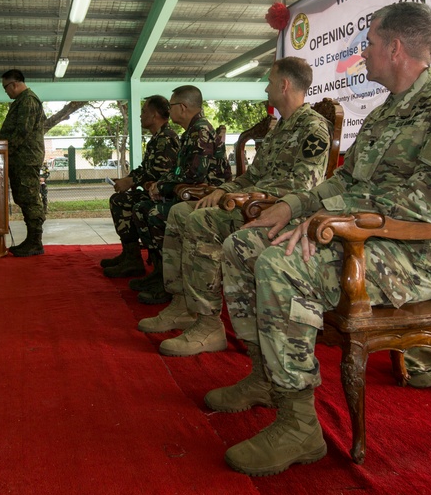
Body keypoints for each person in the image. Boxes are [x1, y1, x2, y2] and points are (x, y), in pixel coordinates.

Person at [211, 2, 431, 476]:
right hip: (362, 238)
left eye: (369, 44)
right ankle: (266, 377)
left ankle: (299, 426)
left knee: (280, 265)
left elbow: (430, 205)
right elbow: (344, 183)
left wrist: (331, 218)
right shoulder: (388, 112)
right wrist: (295, 206)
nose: (364, 55)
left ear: (395, 48)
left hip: (415, 256)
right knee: (242, 247)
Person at [141, 57, 331, 357]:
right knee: (180, 212)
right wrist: (223, 191)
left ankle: (208, 325)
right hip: (252, 204)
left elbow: (301, 188)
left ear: (284, 85)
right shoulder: (281, 128)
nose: (266, 88)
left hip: (280, 214)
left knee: (202, 222)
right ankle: (182, 305)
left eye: (270, 82)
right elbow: (252, 175)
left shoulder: (313, 128)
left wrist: (244, 198)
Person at [129, 85, 230, 304]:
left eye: (172, 105)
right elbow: (182, 172)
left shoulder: (199, 131)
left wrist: (161, 186)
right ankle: (161, 271)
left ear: (182, 108)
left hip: (204, 197)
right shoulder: (191, 132)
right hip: (192, 193)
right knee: (142, 208)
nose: (169, 110)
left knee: (155, 212)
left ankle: (172, 281)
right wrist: (161, 184)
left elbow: (194, 176)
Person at [101, 95, 180, 278]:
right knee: (119, 200)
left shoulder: (166, 139)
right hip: (154, 192)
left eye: (144, 111)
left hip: (164, 196)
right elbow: (147, 169)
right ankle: (131, 256)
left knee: (122, 202)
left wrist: (131, 182)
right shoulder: (157, 138)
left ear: (154, 115)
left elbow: (162, 173)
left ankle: (136, 261)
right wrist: (128, 179)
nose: (140, 115)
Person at [0, 68, 47, 256]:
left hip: (25, 159)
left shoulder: (27, 100)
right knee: (24, 198)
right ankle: (31, 240)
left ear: (15, 84)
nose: (5, 91)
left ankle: (36, 242)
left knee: (30, 199)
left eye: (6, 87)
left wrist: (4, 151)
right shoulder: (22, 100)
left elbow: (22, 131)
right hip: (20, 158)